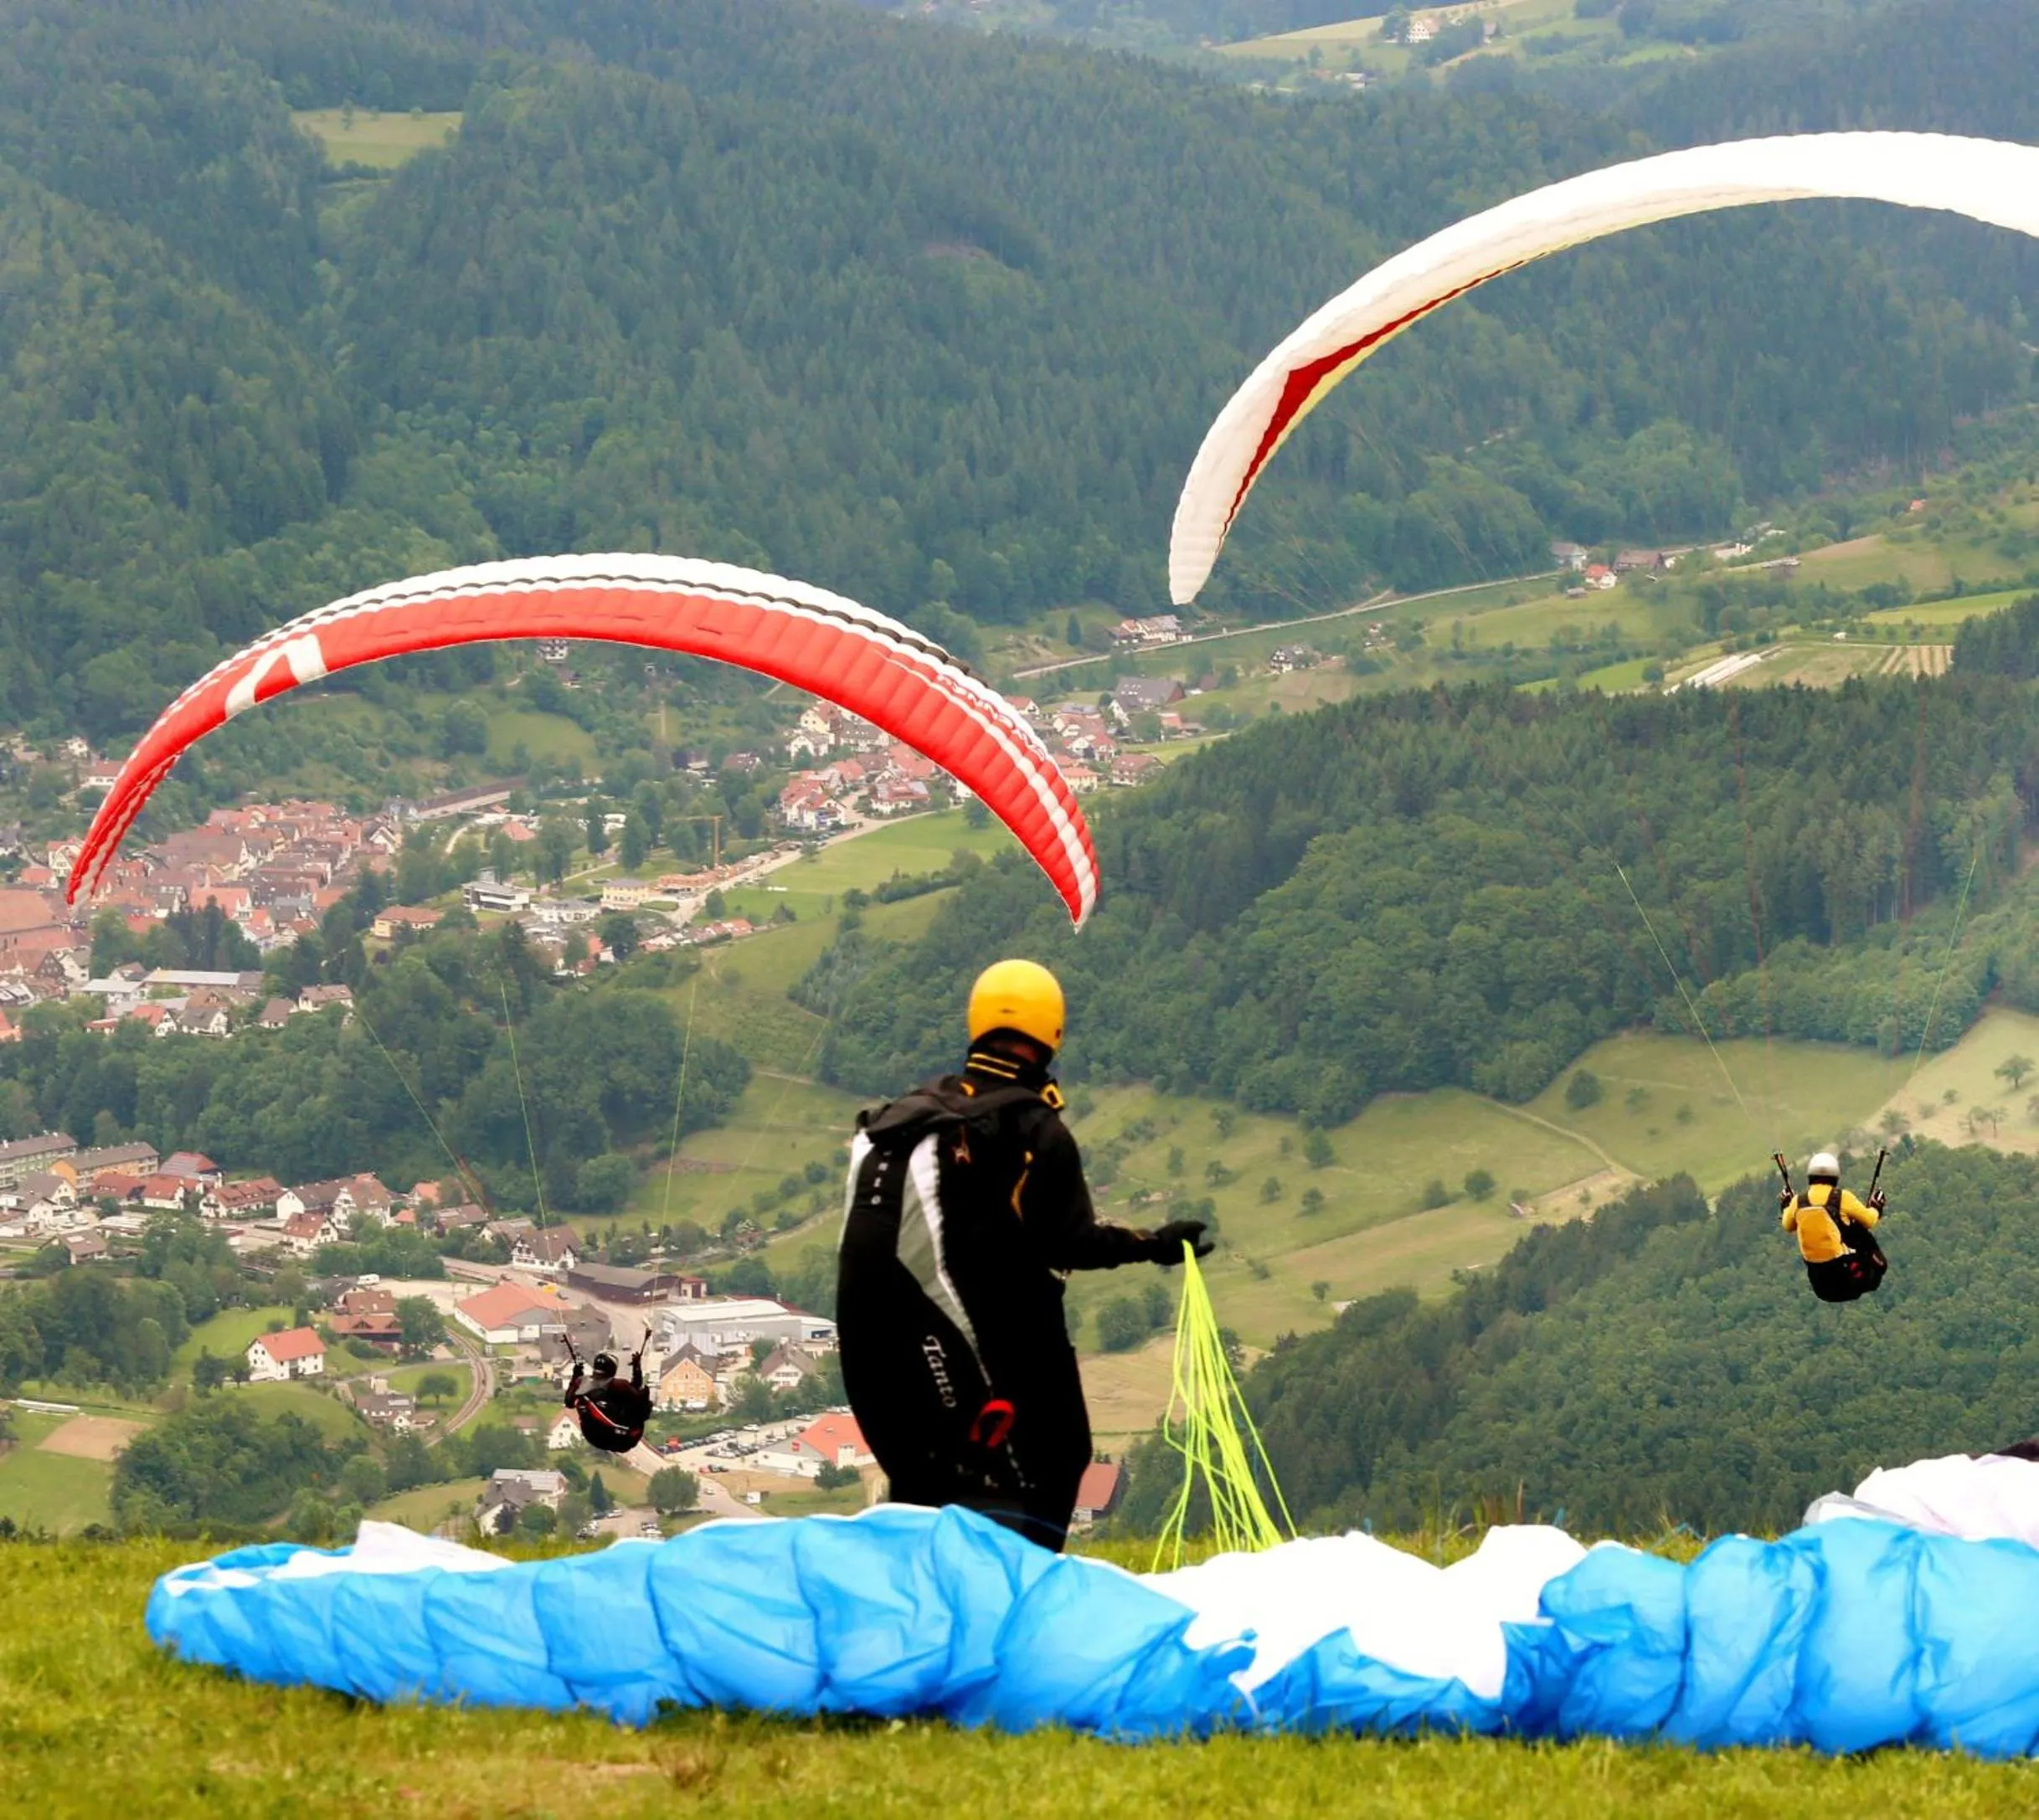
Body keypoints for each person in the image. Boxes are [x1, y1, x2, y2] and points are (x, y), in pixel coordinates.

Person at [837, 958, 1213, 1553]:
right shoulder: (1031, 1130)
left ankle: (916, 1623)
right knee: (1054, 1462)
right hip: (984, 1350)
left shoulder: (906, 1117)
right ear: (1051, 1035)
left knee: (924, 1486)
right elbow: (1069, 1242)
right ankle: (1014, 1620)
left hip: (877, 1356)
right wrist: (1154, 1245)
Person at [1781, 1149, 1887, 1303]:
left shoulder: (1798, 1202)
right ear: (1835, 1177)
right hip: (1847, 1281)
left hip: (1820, 1287)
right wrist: (1876, 1207)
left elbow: (1787, 1225)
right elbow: (1870, 1220)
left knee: (1844, 1227)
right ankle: (1874, 1267)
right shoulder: (1842, 1198)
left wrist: (1787, 1206)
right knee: (1859, 1233)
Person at [564, 1345, 652, 1453]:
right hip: (624, 1439)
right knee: (640, 1403)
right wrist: (637, 1369)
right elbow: (639, 1403)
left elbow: (569, 1402)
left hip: (594, 1438)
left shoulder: (581, 1382)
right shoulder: (620, 1385)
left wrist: (577, 1373)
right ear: (613, 1368)